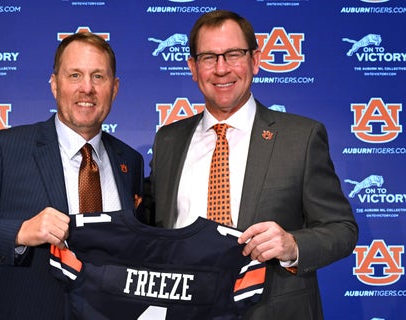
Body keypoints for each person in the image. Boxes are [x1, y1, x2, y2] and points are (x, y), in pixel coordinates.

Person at [148, 10, 358, 320]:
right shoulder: (168, 140)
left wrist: (292, 245)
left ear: (255, 60)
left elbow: (342, 229)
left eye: (233, 54)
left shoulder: (301, 137)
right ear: (193, 68)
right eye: (208, 57)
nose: (221, 69)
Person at [0, 32, 144, 320]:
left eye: (98, 77)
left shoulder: (129, 160)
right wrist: (20, 233)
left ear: (114, 88)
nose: (87, 88)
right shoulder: (4, 149)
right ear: (55, 85)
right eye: (75, 75)